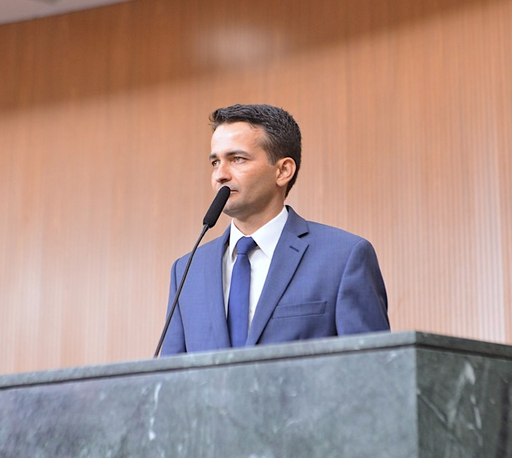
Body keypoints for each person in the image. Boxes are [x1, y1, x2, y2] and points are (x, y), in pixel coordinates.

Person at [160, 104, 389, 356]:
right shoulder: (187, 269)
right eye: (215, 162)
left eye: (237, 159)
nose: (220, 175)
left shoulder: (344, 258)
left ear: (283, 171)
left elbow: (373, 368)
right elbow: (171, 374)